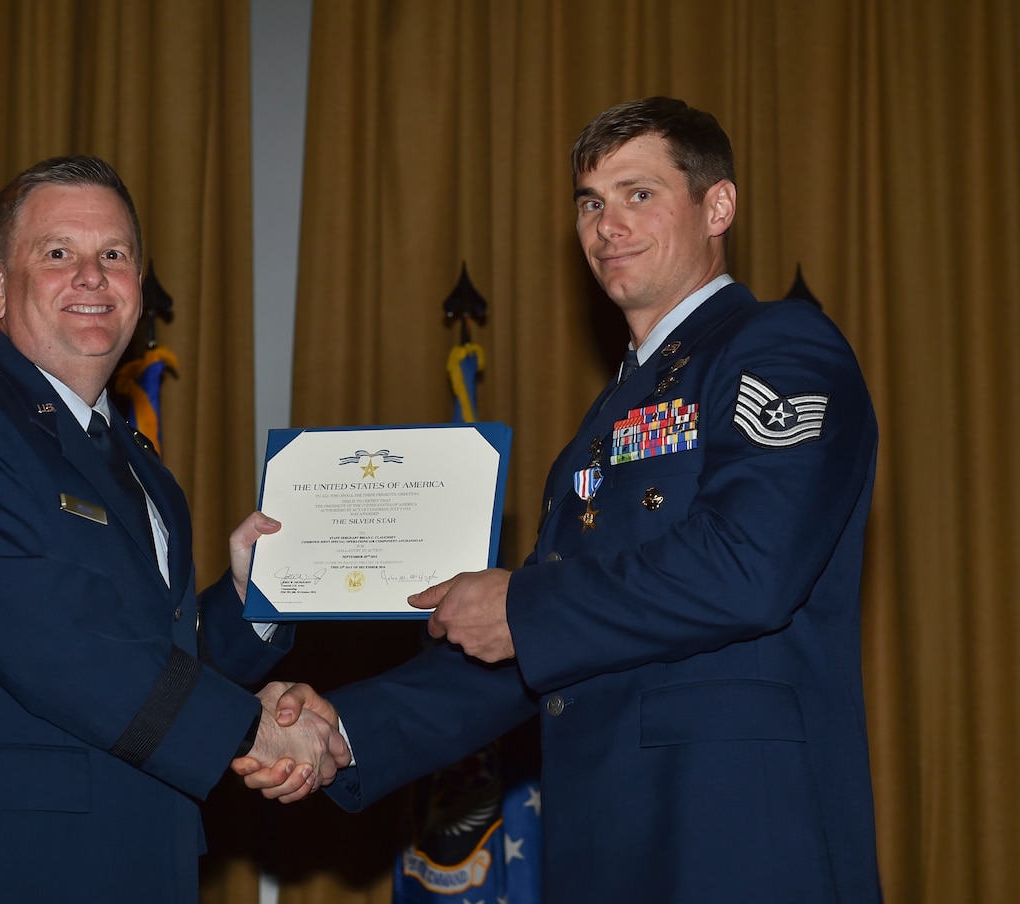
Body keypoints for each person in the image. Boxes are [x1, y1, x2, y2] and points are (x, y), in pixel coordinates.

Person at [237, 97, 883, 901]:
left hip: (736, 833)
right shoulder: (602, 426)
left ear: (717, 205)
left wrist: (524, 606)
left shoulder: (781, 345)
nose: (607, 225)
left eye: (638, 194)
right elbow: (542, 648)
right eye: (591, 202)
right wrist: (345, 730)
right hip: (603, 841)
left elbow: (750, 564)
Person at [0, 155, 346, 903]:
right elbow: (49, 635)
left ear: (138, 290)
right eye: (58, 254)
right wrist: (250, 731)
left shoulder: (144, 469)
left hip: (147, 852)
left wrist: (257, 598)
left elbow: (153, 652)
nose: (91, 275)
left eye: (113, 255)